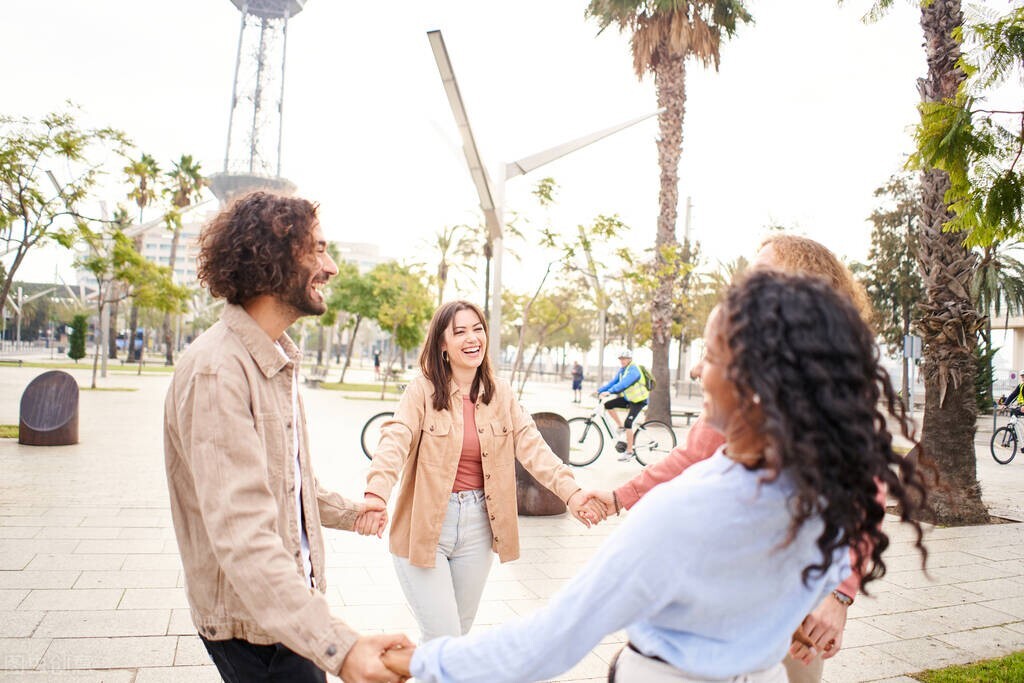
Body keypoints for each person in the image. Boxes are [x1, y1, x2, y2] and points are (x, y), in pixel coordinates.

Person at [379, 271, 931, 683]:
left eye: (708, 356)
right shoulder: (830, 498)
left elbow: (547, 642)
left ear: (751, 381)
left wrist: (418, 659)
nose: (694, 371)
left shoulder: (686, 514)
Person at [583, 233, 881, 683]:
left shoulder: (841, 390)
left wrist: (839, 594)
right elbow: (689, 457)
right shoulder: (737, 372)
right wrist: (619, 496)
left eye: (760, 274)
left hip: (800, 601)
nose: (745, 284)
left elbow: (865, 501)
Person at [163, 191, 411, 683]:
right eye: (317, 249)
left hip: (286, 611)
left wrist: (351, 511)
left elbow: (287, 482)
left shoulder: (273, 358)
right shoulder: (218, 371)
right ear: (272, 255)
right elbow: (243, 538)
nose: (332, 267)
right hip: (254, 628)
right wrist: (342, 649)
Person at [357, 300, 604, 643]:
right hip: (425, 525)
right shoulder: (422, 391)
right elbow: (395, 440)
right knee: (442, 635)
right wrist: (375, 494)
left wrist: (572, 492)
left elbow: (532, 445)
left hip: (478, 526)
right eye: (459, 331)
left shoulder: (500, 394)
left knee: (456, 636)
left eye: (477, 329)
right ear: (442, 344)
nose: (472, 338)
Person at [597, 348, 650, 461]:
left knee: (628, 423)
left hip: (639, 400)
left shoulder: (634, 370)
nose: (622, 361)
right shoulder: (623, 370)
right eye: (620, 359)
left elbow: (623, 384)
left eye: (624, 359)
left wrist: (610, 392)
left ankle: (629, 452)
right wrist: (600, 390)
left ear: (629, 359)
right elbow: (614, 382)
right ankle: (620, 426)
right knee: (608, 405)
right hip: (630, 399)